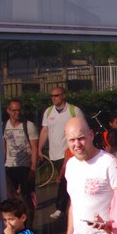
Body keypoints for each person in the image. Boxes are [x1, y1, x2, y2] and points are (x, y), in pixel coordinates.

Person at [40, 87, 84, 221]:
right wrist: (39, 149)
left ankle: (61, 208)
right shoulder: (48, 112)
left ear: (63, 95)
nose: (54, 98)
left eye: (57, 95)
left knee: (64, 180)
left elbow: (83, 129)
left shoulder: (74, 111)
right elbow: (45, 131)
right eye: (52, 96)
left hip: (70, 154)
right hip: (54, 154)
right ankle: (71, 206)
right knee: (67, 181)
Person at [3, 99, 38, 212]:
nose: (17, 113)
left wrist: (33, 168)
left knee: (26, 197)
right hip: (9, 165)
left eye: (19, 110)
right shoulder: (4, 126)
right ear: (8, 111)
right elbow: (3, 147)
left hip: (25, 166)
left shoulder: (29, 126)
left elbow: (34, 148)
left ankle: (29, 222)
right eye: (14, 110)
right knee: (10, 196)